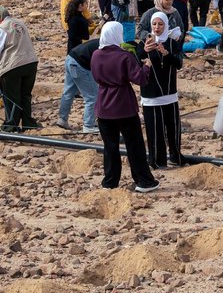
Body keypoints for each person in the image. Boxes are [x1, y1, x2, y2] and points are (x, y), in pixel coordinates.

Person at [90, 21, 159, 192]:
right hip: (124, 106)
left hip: (104, 106)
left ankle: (110, 182)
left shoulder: (96, 55)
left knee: (110, 147)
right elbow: (140, 79)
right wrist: (147, 66)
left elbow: (96, 76)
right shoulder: (124, 56)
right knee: (134, 145)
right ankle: (143, 180)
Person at [138, 11, 184, 168]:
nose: (157, 27)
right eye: (154, 24)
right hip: (151, 93)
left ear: (166, 25)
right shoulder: (145, 42)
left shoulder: (172, 43)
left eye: (160, 24)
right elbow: (137, 63)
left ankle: (175, 157)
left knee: (173, 128)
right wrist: (145, 50)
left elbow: (179, 63)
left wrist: (166, 54)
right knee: (154, 130)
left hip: (169, 92)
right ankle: (157, 161)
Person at [0, 6, 40, 132]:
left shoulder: (1, 29)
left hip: (12, 66)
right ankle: (28, 123)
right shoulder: (20, 23)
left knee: (12, 97)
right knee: (26, 95)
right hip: (31, 63)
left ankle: (12, 125)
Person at [60, 37, 101, 133]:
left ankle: (62, 119)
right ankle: (88, 125)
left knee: (68, 92)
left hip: (70, 58)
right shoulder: (109, 46)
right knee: (92, 96)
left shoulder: (102, 41)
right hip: (80, 64)